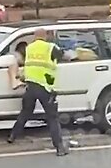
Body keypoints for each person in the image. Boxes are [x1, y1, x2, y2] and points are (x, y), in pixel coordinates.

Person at [7, 28, 69, 156]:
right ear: (45, 36)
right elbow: (64, 56)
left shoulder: (29, 48)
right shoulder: (50, 47)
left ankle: (12, 136)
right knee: (52, 118)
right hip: (45, 88)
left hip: (30, 86)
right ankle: (60, 148)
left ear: (34, 37)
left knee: (25, 112)